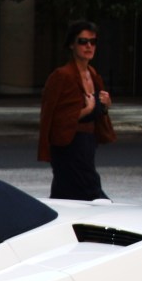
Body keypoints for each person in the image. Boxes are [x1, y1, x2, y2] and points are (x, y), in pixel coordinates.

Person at [38, 20, 114, 199]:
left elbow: (98, 112)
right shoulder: (62, 76)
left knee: (65, 195)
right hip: (68, 146)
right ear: (72, 44)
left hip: (87, 144)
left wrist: (104, 106)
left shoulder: (93, 75)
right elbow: (53, 117)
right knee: (92, 194)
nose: (89, 46)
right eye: (83, 41)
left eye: (93, 42)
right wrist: (86, 110)